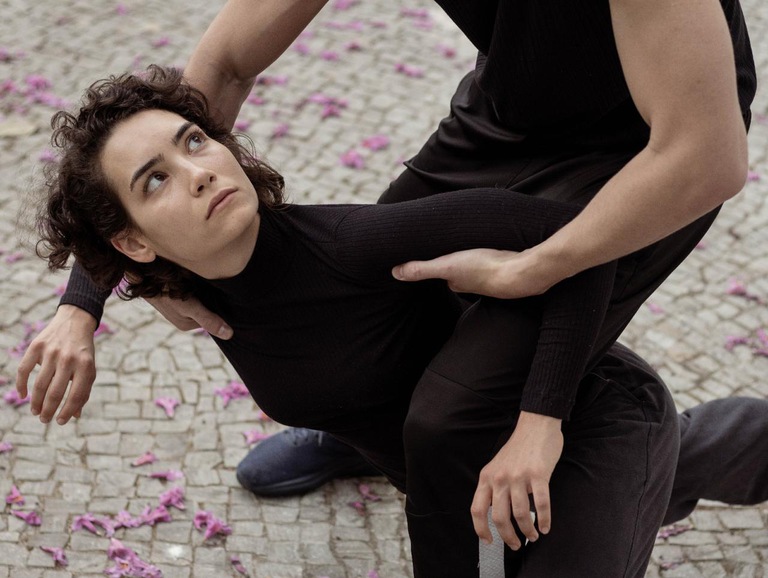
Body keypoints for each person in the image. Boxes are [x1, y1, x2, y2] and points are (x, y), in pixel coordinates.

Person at [16, 0, 768, 572]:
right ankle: (369, 422)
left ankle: (656, 451)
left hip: (654, 141)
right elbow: (214, 78)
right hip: (511, 110)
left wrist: (534, 269)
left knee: (455, 411)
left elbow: (705, 156)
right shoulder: (237, 237)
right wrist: (96, 294)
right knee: (360, 308)